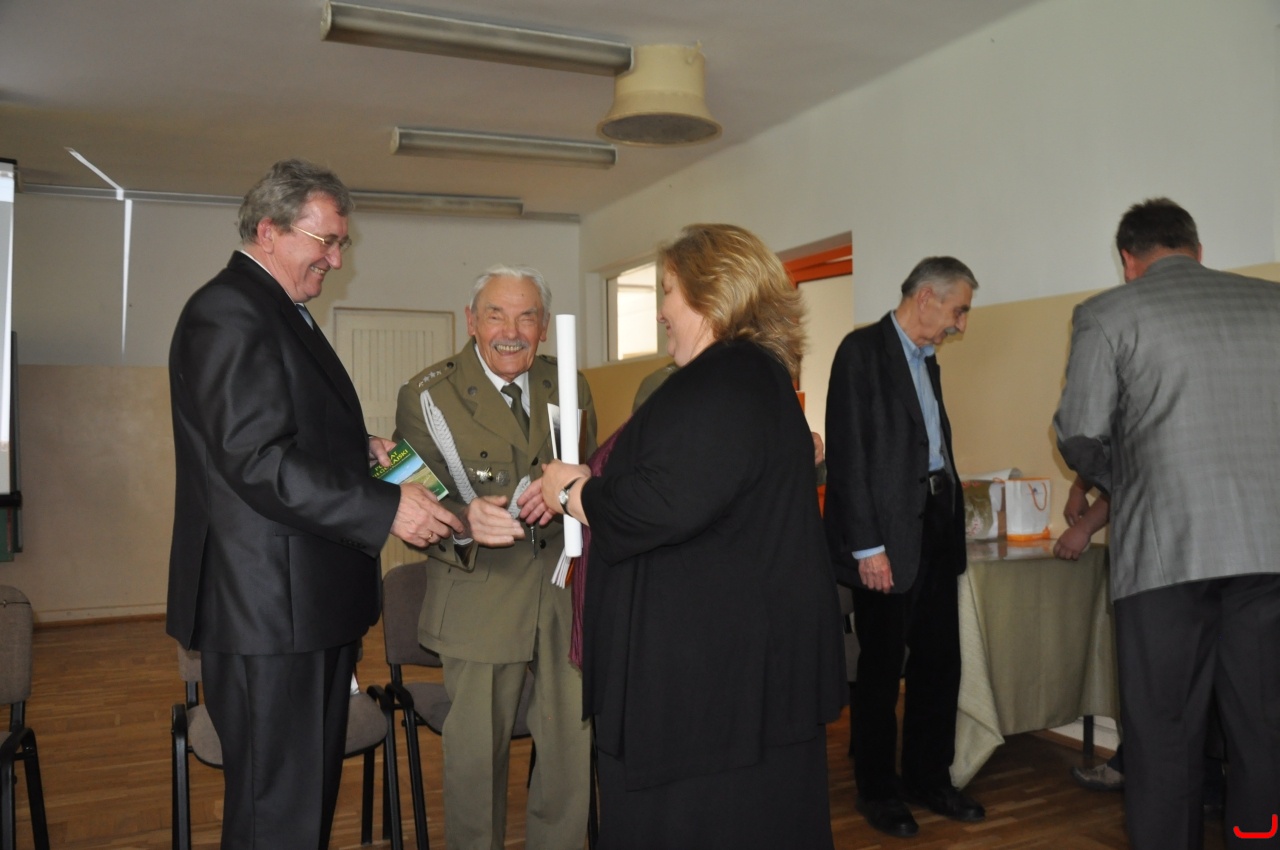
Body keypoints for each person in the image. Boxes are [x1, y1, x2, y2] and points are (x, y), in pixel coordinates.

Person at [166, 159, 465, 850]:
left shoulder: (274, 310)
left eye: (341, 243)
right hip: (271, 614)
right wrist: (383, 507)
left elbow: (282, 430)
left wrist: (355, 448)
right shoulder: (230, 310)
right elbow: (254, 457)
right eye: (324, 241)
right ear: (269, 231)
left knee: (299, 807)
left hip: (301, 608)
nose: (335, 258)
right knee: (277, 814)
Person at [540, 223, 847, 850]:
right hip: (733, 667)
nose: (660, 311)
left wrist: (574, 494)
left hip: (702, 687)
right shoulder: (755, 377)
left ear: (711, 293)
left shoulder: (722, 382)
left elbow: (660, 503)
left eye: (668, 290)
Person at [1054, 198, 1280, 850]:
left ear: (1129, 260)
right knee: (1264, 730)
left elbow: (1079, 433)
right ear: (1197, 250)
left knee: (1164, 735)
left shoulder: (1108, 313)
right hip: (1269, 553)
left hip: (1165, 558)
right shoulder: (1272, 305)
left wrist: (1134, 482)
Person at [394, 265, 597, 850]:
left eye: (527, 316)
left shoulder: (570, 384)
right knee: (476, 764)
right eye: (496, 315)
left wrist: (571, 496)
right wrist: (464, 519)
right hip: (478, 597)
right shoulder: (426, 395)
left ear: (544, 326)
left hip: (562, 590)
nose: (512, 331)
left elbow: (589, 481)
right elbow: (408, 504)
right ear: (471, 321)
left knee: (569, 751)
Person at [823, 256, 985, 838]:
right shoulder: (860, 352)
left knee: (940, 664)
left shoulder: (926, 360)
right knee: (881, 669)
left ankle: (928, 778)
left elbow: (925, 446)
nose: (961, 324)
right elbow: (848, 457)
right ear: (925, 298)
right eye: (958, 310)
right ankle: (878, 790)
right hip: (886, 539)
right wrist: (868, 547)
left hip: (935, 526)